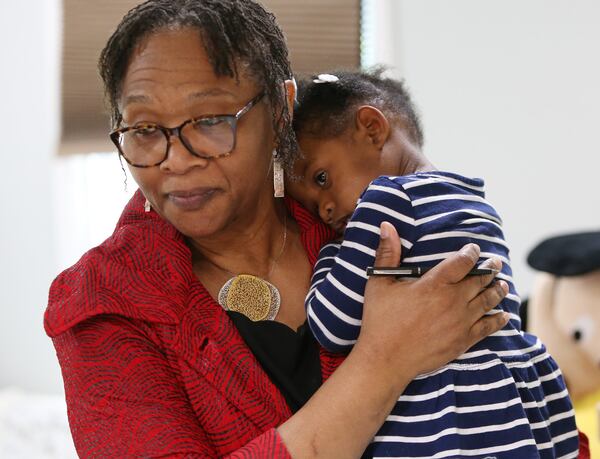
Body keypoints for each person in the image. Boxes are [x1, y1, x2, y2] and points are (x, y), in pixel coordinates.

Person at [45, 1, 547, 457]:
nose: (177, 160)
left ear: (282, 109)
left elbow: (506, 388)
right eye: (145, 129)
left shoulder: (358, 217)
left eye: (213, 119)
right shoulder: (102, 302)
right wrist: (384, 362)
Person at [287, 69, 580, 458]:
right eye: (310, 205)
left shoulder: (384, 202)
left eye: (321, 178)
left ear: (372, 129)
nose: (322, 209)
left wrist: (327, 255)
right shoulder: (478, 200)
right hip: (514, 401)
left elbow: (332, 326)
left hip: (445, 417)